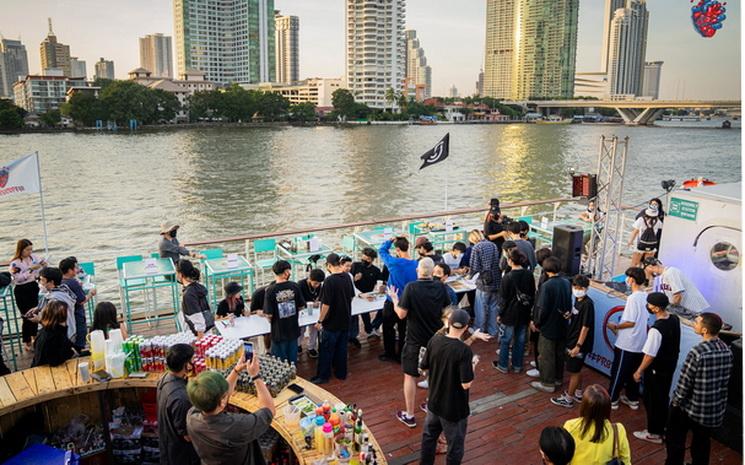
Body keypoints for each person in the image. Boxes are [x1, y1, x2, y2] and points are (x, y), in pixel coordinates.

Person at [387, 258, 451, 428]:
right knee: (434, 373)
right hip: (436, 339)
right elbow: (447, 311)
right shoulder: (440, 287)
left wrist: (394, 299)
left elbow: (401, 314)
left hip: (415, 340)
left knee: (410, 376)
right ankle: (431, 404)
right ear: (432, 272)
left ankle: (409, 415)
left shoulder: (411, 288)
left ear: (418, 271)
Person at [665, 313, 732, 465]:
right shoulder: (727, 350)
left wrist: (675, 403)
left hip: (692, 408)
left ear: (704, 330)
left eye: (697, 322)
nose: (694, 324)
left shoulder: (697, 352)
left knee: (675, 439)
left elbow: (684, 383)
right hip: (713, 409)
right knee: (702, 444)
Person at [186, 353, 276, 465]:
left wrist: (236, 371)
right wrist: (256, 376)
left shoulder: (192, 417)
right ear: (222, 401)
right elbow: (269, 410)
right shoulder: (235, 426)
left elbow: (217, 397)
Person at [419, 309, 478, 465]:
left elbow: (424, 366)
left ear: (449, 323)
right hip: (454, 409)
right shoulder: (464, 351)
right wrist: (473, 365)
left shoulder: (435, 340)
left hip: (434, 402)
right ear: (466, 327)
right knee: (455, 447)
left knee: (429, 438)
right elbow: (466, 384)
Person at [632, 292, 680, 444]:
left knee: (652, 400)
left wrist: (639, 371)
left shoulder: (656, 329)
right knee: (662, 398)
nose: (648, 306)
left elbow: (649, 355)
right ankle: (661, 427)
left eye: (650, 304)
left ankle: (654, 432)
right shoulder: (674, 320)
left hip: (656, 370)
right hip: (669, 368)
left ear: (657, 308)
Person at [607, 267, 649, 410]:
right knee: (633, 373)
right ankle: (633, 398)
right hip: (640, 342)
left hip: (627, 343)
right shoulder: (645, 296)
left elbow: (630, 322)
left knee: (618, 372)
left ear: (632, 280)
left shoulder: (633, 298)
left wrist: (616, 327)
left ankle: (612, 398)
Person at [551, 275, 595, 408]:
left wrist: (578, 346)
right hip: (572, 339)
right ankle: (578, 392)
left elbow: (585, 327)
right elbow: (578, 317)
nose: (577, 290)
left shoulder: (588, 304)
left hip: (578, 343)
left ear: (586, 289)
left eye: (580, 288)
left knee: (574, 371)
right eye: (575, 287)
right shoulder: (577, 300)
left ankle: (568, 399)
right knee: (577, 368)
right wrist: (570, 315)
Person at [312, 253, 355, 384]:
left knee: (326, 350)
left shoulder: (329, 281)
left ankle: (323, 376)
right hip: (345, 319)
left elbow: (326, 304)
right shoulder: (347, 277)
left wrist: (320, 321)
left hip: (331, 323)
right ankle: (341, 373)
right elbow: (351, 296)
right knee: (342, 349)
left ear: (329, 265)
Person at [563, 384, 632, 465]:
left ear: (584, 406)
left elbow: (564, 458)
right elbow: (626, 460)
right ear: (607, 407)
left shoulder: (570, 426)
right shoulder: (618, 430)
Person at [531, 256, 571, 393]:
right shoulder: (566, 282)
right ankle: (558, 378)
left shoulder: (547, 286)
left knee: (546, 355)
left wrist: (536, 322)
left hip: (548, 327)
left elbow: (542, 308)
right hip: (562, 325)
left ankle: (547, 382)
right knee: (559, 353)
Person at [157, 343, 200, 465]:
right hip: (182, 456)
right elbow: (187, 436)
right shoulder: (181, 398)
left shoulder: (164, 379)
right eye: (192, 361)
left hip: (168, 448)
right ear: (186, 365)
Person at [494, 249, 535, 374]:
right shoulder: (529, 274)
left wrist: (500, 314)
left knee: (505, 340)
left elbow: (503, 299)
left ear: (510, 261)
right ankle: (517, 365)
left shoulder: (507, 277)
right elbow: (533, 294)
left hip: (509, 314)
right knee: (520, 340)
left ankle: (503, 365)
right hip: (524, 312)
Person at [378, 237, 418, 362]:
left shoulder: (394, 263)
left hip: (392, 301)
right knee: (403, 329)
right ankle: (402, 354)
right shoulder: (416, 265)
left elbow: (382, 250)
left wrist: (390, 240)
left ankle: (389, 353)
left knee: (388, 328)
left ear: (398, 249)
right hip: (408, 302)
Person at [262, 260, 305, 363]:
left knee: (280, 363)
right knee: (292, 360)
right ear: (286, 272)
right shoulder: (295, 286)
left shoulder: (270, 290)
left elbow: (269, 314)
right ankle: (294, 378)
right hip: (293, 329)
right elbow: (301, 306)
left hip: (278, 332)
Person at [9, 239, 48, 350]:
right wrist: (30, 269)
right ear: (21, 250)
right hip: (22, 289)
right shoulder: (15, 263)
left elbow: (43, 263)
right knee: (27, 316)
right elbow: (18, 278)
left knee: (36, 312)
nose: (30, 251)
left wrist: (43, 264)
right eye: (27, 249)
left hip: (33, 286)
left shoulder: (33, 257)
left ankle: (35, 336)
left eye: (31, 249)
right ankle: (27, 341)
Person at [643, 257, 710, 315]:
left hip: (691, 310)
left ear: (650, 267)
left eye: (646, 270)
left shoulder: (671, 272)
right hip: (683, 310)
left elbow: (677, 296)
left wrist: (670, 311)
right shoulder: (662, 276)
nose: (647, 272)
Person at [469, 230, 502, 337]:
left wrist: (469, 276)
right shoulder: (493, 245)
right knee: (493, 306)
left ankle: (479, 329)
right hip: (496, 280)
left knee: (480, 307)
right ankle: (493, 330)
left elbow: (474, 266)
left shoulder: (476, 248)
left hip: (484, 282)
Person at [527, 247, 554, 379]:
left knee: (539, 343)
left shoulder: (546, 280)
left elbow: (541, 303)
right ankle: (538, 362)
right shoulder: (553, 278)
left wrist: (535, 320)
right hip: (545, 317)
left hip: (541, 317)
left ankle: (539, 367)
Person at [33, 267, 77, 344]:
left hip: (61, 337)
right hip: (70, 332)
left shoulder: (55, 300)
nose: (40, 283)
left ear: (51, 282)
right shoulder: (63, 290)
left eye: (42, 280)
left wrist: (38, 319)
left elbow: (54, 322)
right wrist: (37, 308)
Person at [60, 257, 94, 352]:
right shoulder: (73, 283)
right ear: (70, 270)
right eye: (75, 268)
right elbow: (82, 300)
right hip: (77, 312)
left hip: (65, 313)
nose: (77, 269)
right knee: (80, 331)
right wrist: (90, 294)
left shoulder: (60, 281)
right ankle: (79, 349)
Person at [350, 248, 385, 339]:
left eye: (367, 259)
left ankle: (373, 327)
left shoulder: (376, 270)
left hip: (369, 294)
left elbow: (380, 282)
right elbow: (348, 282)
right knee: (361, 314)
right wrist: (354, 279)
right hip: (356, 295)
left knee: (384, 308)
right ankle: (366, 330)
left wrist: (381, 287)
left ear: (372, 260)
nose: (364, 260)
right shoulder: (355, 266)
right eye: (363, 258)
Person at [176, 259, 214, 338]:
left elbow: (199, 321)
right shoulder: (197, 286)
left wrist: (200, 343)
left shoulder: (189, 295)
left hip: (196, 335)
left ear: (180, 274)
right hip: (207, 331)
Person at [31, 300, 75, 367]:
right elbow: (55, 360)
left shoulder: (46, 330)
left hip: (38, 367)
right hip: (47, 371)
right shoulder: (56, 334)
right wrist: (72, 352)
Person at [297, 269, 324, 358]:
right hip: (302, 311)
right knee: (301, 329)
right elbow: (298, 300)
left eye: (319, 283)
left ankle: (311, 347)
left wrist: (318, 301)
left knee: (314, 328)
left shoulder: (319, 286)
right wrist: (310, 303)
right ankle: (298, 344)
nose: (317, 285)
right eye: (315, 283)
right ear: (310, 279)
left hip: (314, 311)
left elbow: (320, 296)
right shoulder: (300, 285)